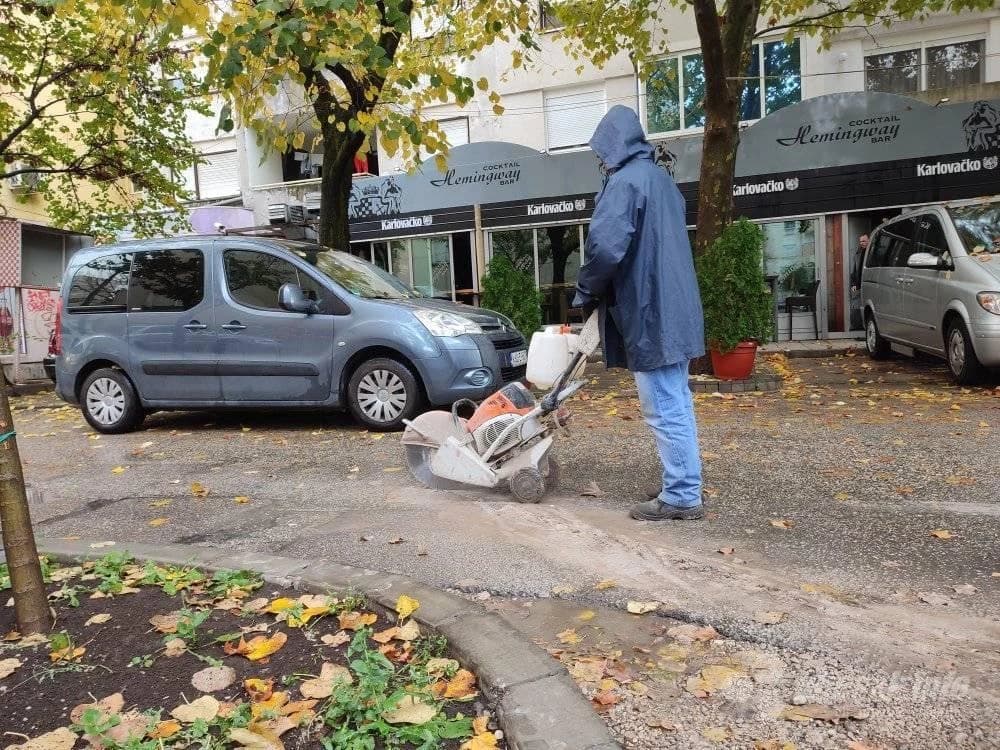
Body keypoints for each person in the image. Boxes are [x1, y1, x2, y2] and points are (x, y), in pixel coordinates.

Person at [573, 106, 706, 521]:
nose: (600, 159)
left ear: (612, 145)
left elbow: (606, 248)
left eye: (600, 150)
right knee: (677, 401)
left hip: (653, 313)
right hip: (676, 309)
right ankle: (681, 480)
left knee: (664, 406)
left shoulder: (625, 183)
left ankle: (683, 494)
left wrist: (584, 293)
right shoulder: (662, 182)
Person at [849, 234, 869, 330]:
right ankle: (856, 328)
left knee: (867, 308)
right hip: (858, 285)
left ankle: (864, 329)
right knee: (855, 307)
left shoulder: (873, 253)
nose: (862, 243)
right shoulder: (858, 254)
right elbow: (854, 271)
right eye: (860, 241)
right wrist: (853, 284)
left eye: (864, 241)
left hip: (868, 284)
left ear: (869, 241)